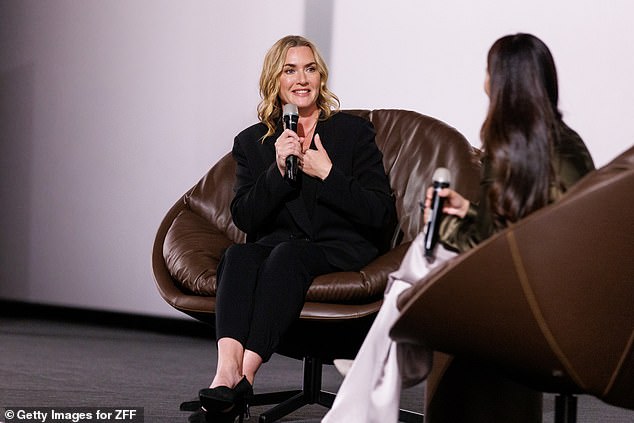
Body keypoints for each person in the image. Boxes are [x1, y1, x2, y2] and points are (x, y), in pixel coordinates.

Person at [322, 33, 595, 423]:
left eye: (489, 71)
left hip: (538, 291)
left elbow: (522, 238)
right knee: (424, 254)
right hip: (534, 276)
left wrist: (451, 228)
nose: (484, 80)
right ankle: (388, 363)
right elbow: (517, 226)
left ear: (504, 81)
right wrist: (466, 210)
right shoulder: (556, 142)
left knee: (422, 254)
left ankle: (387, 365)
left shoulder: (524, 147)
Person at [188, 35, 396, 423]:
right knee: (238, 255)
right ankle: (225, 373)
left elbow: (379, 212)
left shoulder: (352, 132)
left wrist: (328, 174)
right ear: (275, 81)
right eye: (290, 70)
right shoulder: (253, 142)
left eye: (310, 68)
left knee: (286, 255)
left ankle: (243, 379)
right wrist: (278, 172)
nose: (302, 79)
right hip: (282, 245)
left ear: (321, 77)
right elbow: (246, 219)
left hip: (340, 246)